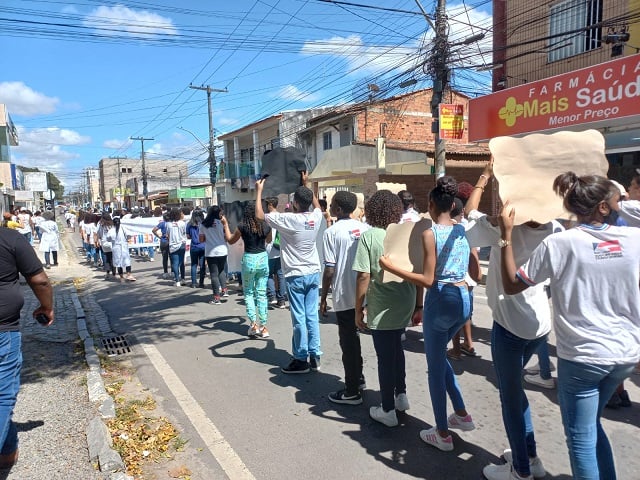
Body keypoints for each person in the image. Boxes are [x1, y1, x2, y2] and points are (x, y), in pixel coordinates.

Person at [499, 172, 640, 480]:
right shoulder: (634, 239)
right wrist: (621, 204)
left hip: (583, 359)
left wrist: (506, 234)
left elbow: (511, 284)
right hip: (624, 358)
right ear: (604, 206)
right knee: (591, 428)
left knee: (580, 440)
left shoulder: (559, 243)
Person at [463, 161, 559, 479]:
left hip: (510, 328)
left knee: (509, 397)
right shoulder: (555, 229)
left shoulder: (502, 229)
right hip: (539, 325)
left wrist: (485, 176)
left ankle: (520, 468)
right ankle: (529, 456)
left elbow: (467, 213)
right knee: (516, 391)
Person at [380, 177, 476, 449]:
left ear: (431, 204)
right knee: (438, 358)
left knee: (434, 370)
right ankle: (461, 413)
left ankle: (442, 434)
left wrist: (391, 267)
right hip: (463, 298)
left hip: (442, 298)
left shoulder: (429, 233)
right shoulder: (462, 229)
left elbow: (428, 279)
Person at [354, 190, 416, 426]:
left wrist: (358, 308)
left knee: (384, 357)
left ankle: (387, 409)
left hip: (382, 305)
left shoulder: (370, 237)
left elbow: (363, 276)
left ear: (371, 212)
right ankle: (401, 395)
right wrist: (418, 304)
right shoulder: (407, 233)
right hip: (406, 301)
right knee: (397, 350)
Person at [256, 172, 323, 374]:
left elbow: (260, 215)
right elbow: (318, 206)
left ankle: (301, 358)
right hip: (313, 272)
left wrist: (259, 191)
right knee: (312, 315)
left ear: (294, 203)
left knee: (299, 317)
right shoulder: (315, 217)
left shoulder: (288, 220)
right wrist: (307, 185)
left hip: (295, 274)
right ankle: (315, 355)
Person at [0, 226, 54, 469]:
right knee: (2, 396)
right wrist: (47, 307)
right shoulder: (9, 238)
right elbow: (40, 280)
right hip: (3, 332)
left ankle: (8, 452)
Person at [321, 191, 370, 405]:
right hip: (366, 295)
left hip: (344, 295)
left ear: (339, 209)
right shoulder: (366, 229)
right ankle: (358, 378)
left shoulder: (331, 233)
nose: (329, 208)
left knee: (349, 343)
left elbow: (330, 270)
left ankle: (352, 390)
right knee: (358, 341)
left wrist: (323, 297)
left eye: (331, 205)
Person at [223, 203, 271, 338]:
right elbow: (270, 239)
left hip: (249, 260)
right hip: (262, 259)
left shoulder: (242, 226)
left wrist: (225, 225)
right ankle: (264, 327)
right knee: (261, 294)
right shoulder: (265, 225)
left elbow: (231, 240)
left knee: (249, 292)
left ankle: (253, 324)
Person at [199, 206, 229, 304]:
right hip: (222, 250)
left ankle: (216, 297)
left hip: (211, 251)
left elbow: (201, 240)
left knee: (213, 274)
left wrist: (210, 238)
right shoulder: (222, 222)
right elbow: (226, 236)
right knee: (221, 270)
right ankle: (224, 290)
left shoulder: (203, 224)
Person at [264, 197, 287, 309]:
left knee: (268, 274)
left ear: (270, 204)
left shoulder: (266, 217)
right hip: (280, 248)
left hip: (268, 249)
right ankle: (281, 300)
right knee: (280, 275)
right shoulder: (281, 216)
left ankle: (272, 296)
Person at [107, 215, 136, 282]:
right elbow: (129, 235)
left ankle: (121, 277)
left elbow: (108, 239)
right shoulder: (123, 228)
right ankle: (129, 274)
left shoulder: (111, 230)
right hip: (123, 247)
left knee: (119, 263)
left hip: (116, 248)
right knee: (127, 261)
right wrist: (127, 239)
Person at [167, 207, 187, 287]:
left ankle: (177, 280)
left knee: (175, 263)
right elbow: (184, 233)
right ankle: (183, 278)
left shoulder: (168, 224)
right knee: (181, 262)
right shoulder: (182, 223)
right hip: (182, 243)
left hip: (172, 245)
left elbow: (168, 234)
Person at [186, 209, 206, 288]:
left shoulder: (189, 224)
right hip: (203, 246)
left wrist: (193, 237)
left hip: (194, 246)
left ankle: (194, 283)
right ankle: (201, 282)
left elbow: (188, 236)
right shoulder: (204, 224)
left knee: (194, 264)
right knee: (202, 265)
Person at [152, 212, 171, 279]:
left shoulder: (162, 223)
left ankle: (165, 272)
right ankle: (173, 272)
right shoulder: (172, 223)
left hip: (163, 241)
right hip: (171, 241)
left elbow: (154, 230)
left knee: (164, 258)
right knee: (172, 257)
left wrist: (159, 236)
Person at [96, 213, 115, 280]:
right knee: (112, 258)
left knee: (107, 258)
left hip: (104, 243)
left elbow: (99, 234)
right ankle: (114, 273)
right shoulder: (112, 225)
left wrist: (98, 241)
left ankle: (107, 273)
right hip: (111, 242)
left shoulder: (101, 225)